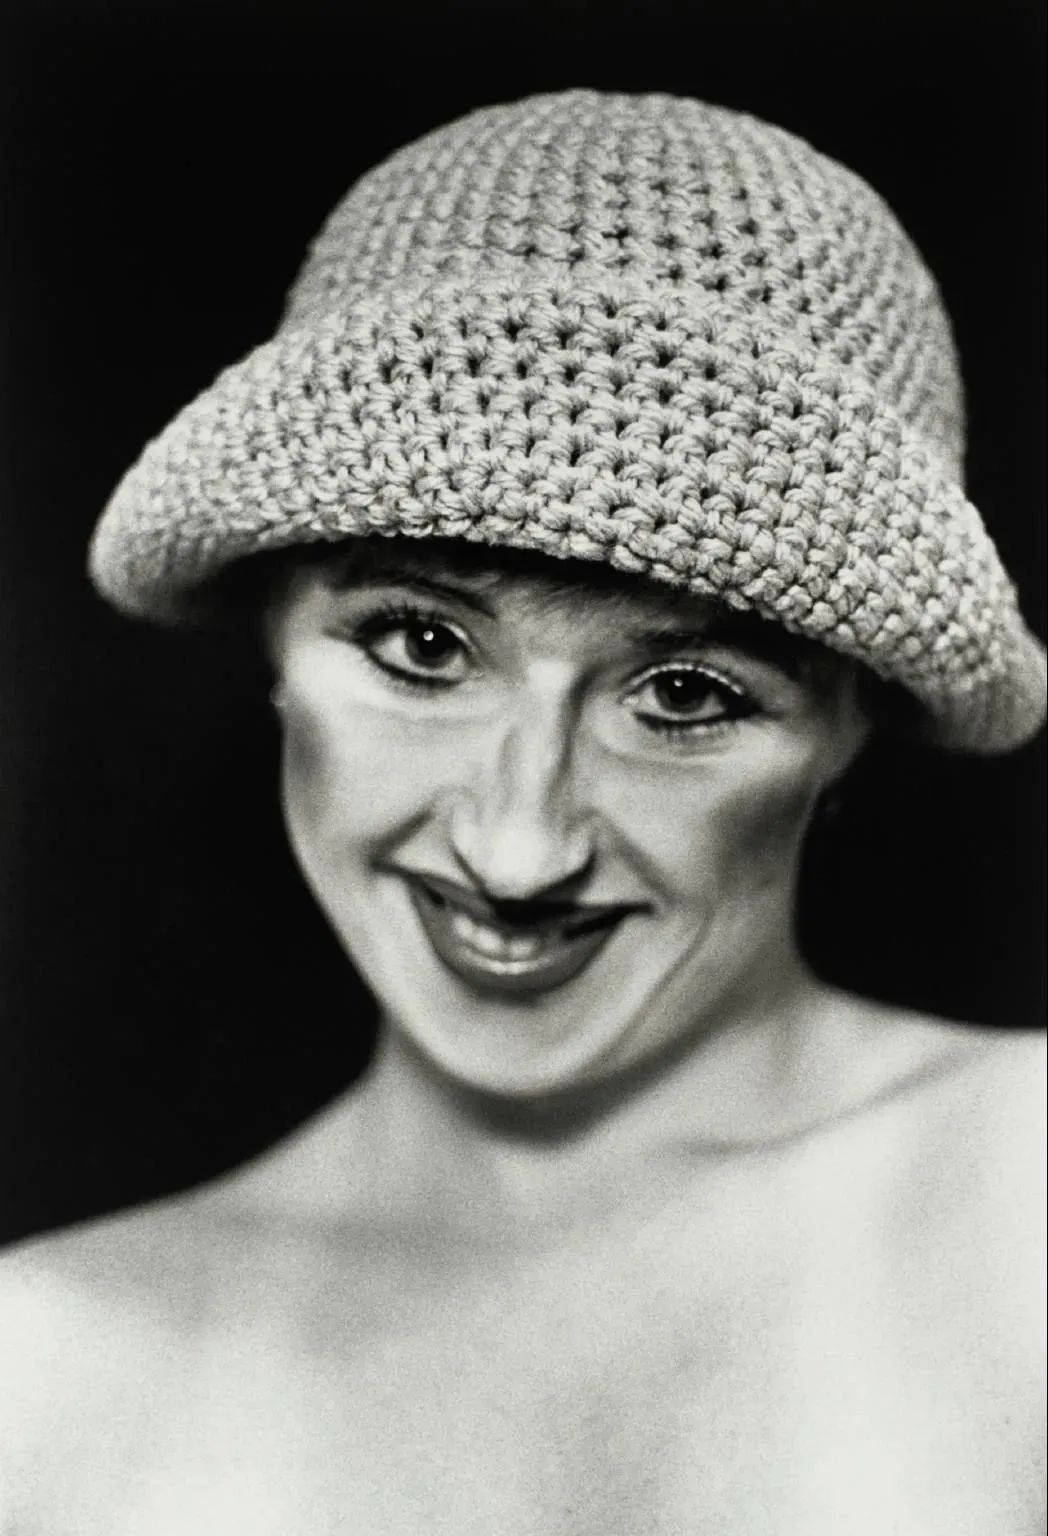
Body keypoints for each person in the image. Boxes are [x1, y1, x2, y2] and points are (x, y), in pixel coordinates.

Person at [1, 88, 1044, 1535]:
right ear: (270, 630)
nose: (519, 847)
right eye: (423, 646)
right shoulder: (46, 1374)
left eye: (684, 694)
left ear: (859, 721)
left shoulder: (1020, 1190)